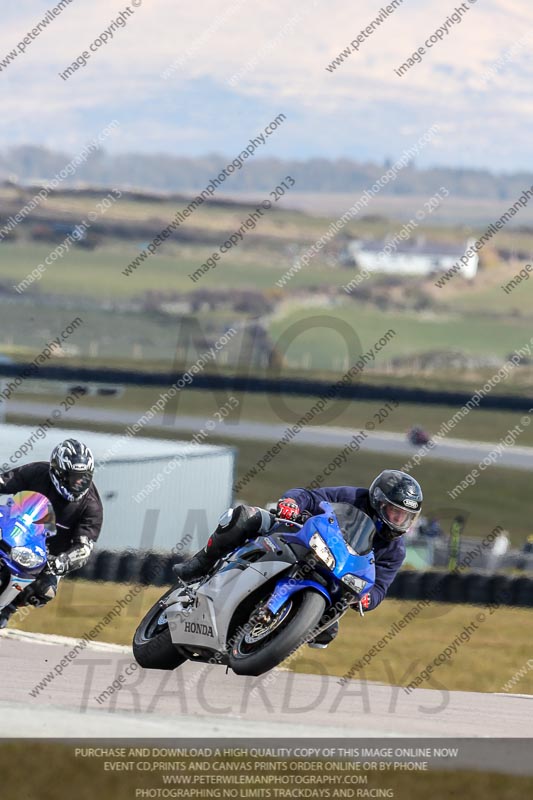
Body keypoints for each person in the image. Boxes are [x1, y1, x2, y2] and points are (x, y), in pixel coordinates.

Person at [173, 469, 423, 648]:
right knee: (246, 517)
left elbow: (380, 586)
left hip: (335, 578)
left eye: (405, 516)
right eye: (395, 512)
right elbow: (311, 497)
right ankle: (202, 563)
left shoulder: (395, 549)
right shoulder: (353, 497)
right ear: (379, 501)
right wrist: (292, 503)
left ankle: (275, 639)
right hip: (307, 543)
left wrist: (367, 599)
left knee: (326, 632)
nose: (399, 520)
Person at [0, 438, 103, 628]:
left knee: (45, 591)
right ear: (58, 472)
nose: (79, 482)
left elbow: (84, 547)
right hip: (14, 529)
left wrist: (62, 562)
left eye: (84, 476)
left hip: (46, 556)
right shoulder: (38, 471)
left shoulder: (91, 506)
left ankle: (8, 607)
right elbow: (4, 481)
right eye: (74, 476)